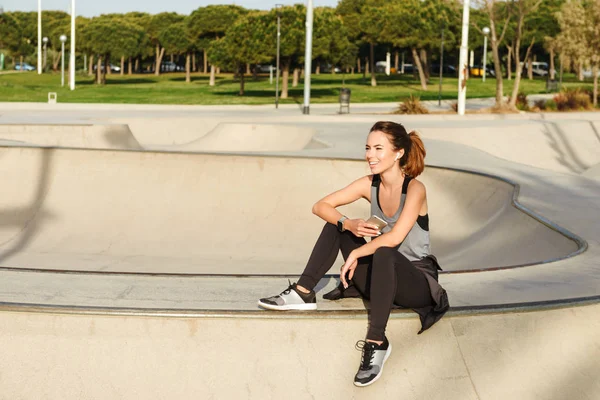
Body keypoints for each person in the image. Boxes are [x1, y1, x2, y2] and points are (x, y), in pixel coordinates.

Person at [258, 121, 449, 387]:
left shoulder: (415, 189)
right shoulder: (368, 184)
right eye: (368, 148)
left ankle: (377, 341)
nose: (370, 155)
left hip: (415, 282)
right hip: (382, 277)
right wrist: (348, 224)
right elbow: (320, 205)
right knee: (336, 225)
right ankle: (303, 292)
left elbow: (393, 239)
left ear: (398, 153)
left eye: (378, 148)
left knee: (383, 251)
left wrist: (358, 252)